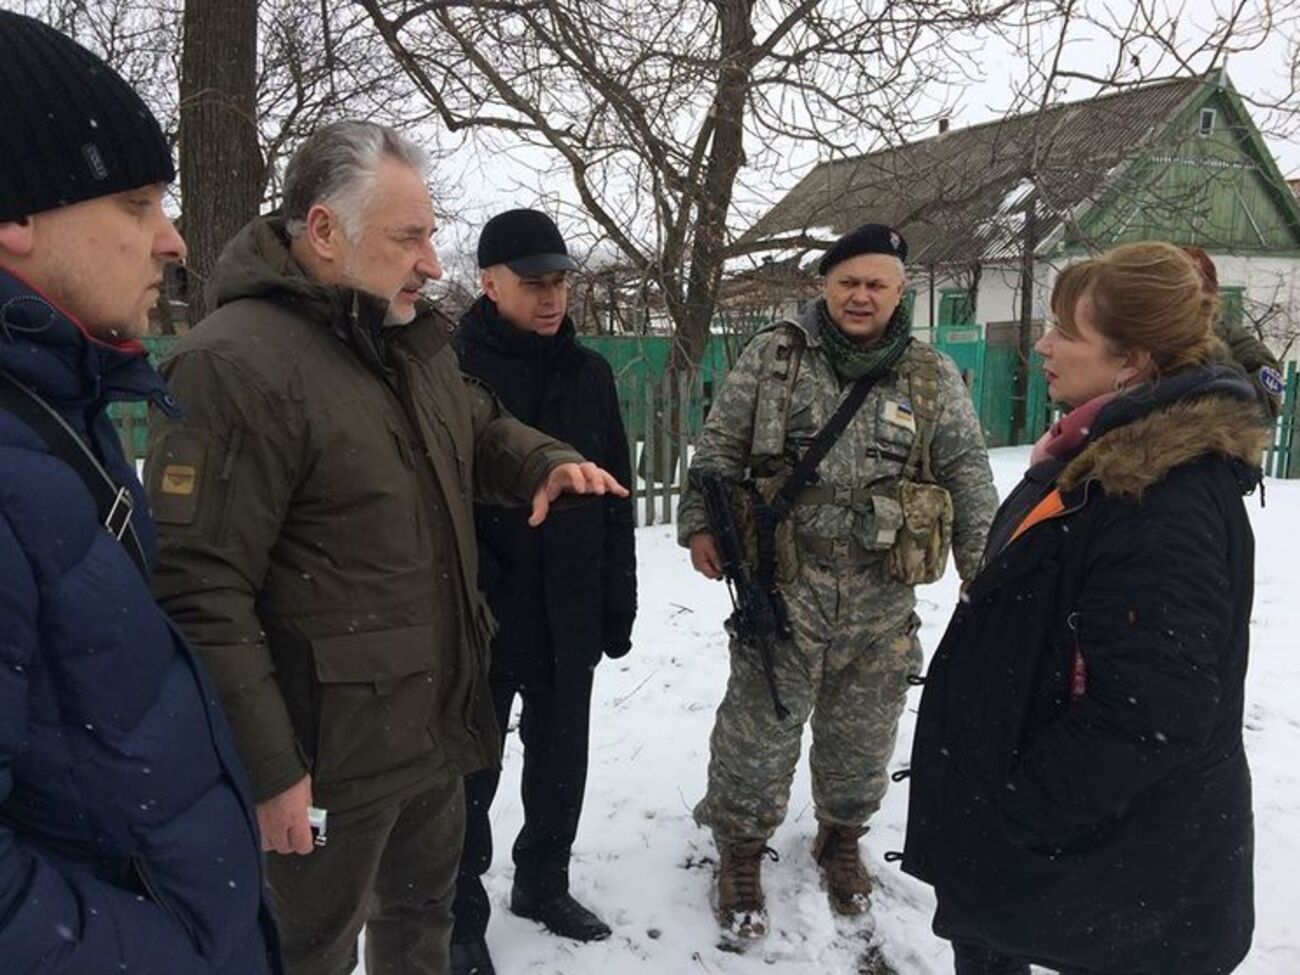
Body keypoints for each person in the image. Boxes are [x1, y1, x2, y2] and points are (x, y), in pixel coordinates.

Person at [145, 121, 626, 975]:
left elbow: (477, 426)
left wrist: (543, 460)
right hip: (323, 760)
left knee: (421, 923)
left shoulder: (404, 343)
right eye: (410, 237)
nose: (433, 263)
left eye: (431, 235)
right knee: (305, 951)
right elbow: (196, 590)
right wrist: (268, 767)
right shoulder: (232, 367)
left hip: (429, 727)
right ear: (326, 232)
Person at [0, 11, 279, 973]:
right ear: (15, 213)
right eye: (135, 202)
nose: (173, 239)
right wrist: (170, 951)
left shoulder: (50, 402)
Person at [902, 241, 1263, 975]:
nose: (1042, 343)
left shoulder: (1162, 499)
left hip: (1114, 875)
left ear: (1131, 361)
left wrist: (1011, 810)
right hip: (1068, 853)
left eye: (1066, 330)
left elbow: (1149, 716)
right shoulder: (1101, 453)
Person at [677, 223, 998, 939]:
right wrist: (701, 522)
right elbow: (718, 448)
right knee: (760, 727)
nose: (860, 295)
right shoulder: (776, 357)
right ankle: (738, 848)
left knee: (864, 732)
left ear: (898, 291)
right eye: (848, 281)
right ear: (825, 284)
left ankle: (841, 836)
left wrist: (989, 575)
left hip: (883, 592)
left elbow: (969, 477)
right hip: (785, 584)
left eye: (876, 283)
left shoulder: (928, 374)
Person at [448, 209, 637, 974]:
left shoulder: (588, 372)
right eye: (533, 283)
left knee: (562, 761)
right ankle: (460, 913)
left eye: (560, 280)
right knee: (468, 774)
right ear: (489, 284)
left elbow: (615, 490)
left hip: (568, 606)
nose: (552, 296)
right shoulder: (451, 371)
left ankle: (543, 882)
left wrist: (615, 603)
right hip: (485, 609)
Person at [1181, 244, 1284, 418]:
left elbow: (1263, 407)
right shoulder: (1137, 336)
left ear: (1209, 293)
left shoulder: (1241, 345)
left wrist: (1207, 347)